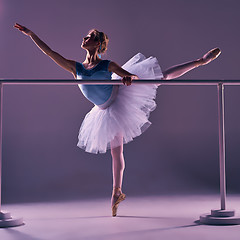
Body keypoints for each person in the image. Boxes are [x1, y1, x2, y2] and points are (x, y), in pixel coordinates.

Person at [14, 23, 221, 217]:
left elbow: (132, 77)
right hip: (103, 110)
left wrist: (129, 78)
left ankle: (200, 61)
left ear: (98, 44)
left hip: (119, 98)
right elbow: (50, 53)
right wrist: (32, 35)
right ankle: (117, 192)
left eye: (91, 37)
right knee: (117, 152)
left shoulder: (107, 64)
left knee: (161, 78)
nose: (85, 38)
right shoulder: (74, 67)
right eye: (86, 35)